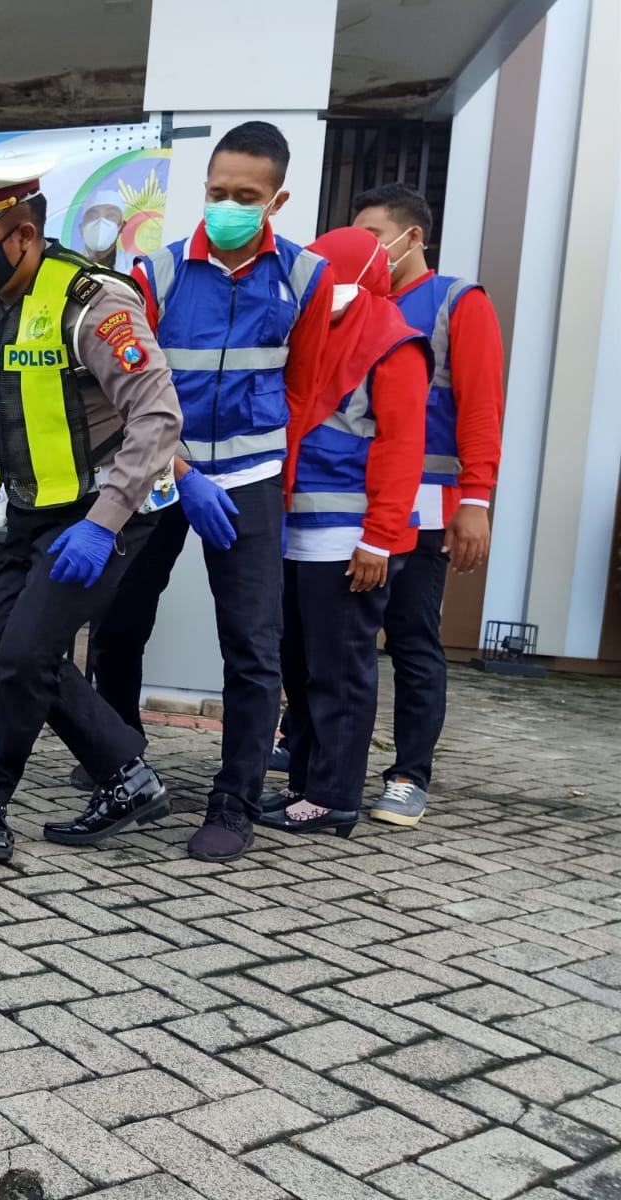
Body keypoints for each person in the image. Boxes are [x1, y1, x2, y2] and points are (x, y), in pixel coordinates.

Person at [0, 152, 183, 864]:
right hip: (33, 508)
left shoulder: (92, 303)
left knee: (27, 654)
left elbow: (158, 416)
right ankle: (127, 776)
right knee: (11, 651)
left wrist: (103, 523)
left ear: (24, 235)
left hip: (105, 509)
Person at [85, 120, 333, 863]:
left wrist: (266, 471)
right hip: (164, 472)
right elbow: (128, 393)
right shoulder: (155, 272)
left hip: (251, 477)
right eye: (217, 191)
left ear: (277, 200)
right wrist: (180, 472)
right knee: (118, 623)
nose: (227, 205)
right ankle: (118, 765)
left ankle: (234, 801)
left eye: (246, 196)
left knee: (253, 646)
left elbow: (305, 388)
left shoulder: (306, 277)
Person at [260, 227, 427, 838]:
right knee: (301, 668)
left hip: (352, 539)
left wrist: (379, 539)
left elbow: (402, 447)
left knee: (340, 670)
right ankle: (305, 781)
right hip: (297, 532)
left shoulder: (394, 345)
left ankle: (333, 796)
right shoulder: (313, 337)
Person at [352, 183, 505, 827]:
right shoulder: (354, 301)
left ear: (413, 237)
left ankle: (409, 774)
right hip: (351, 505)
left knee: (411, 638)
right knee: (335, 636)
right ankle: (311, 746)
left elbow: (480, 406)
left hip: (426, 507)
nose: (367, 251)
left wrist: (476, 499)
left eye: (375, 237)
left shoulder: (457, 302)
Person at [78, 189, 126, 268]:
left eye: (110, 216)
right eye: (92, 217)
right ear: (81, 228)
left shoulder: (137, 266)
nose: (101, 223)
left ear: (122, 227)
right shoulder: (68, 264)